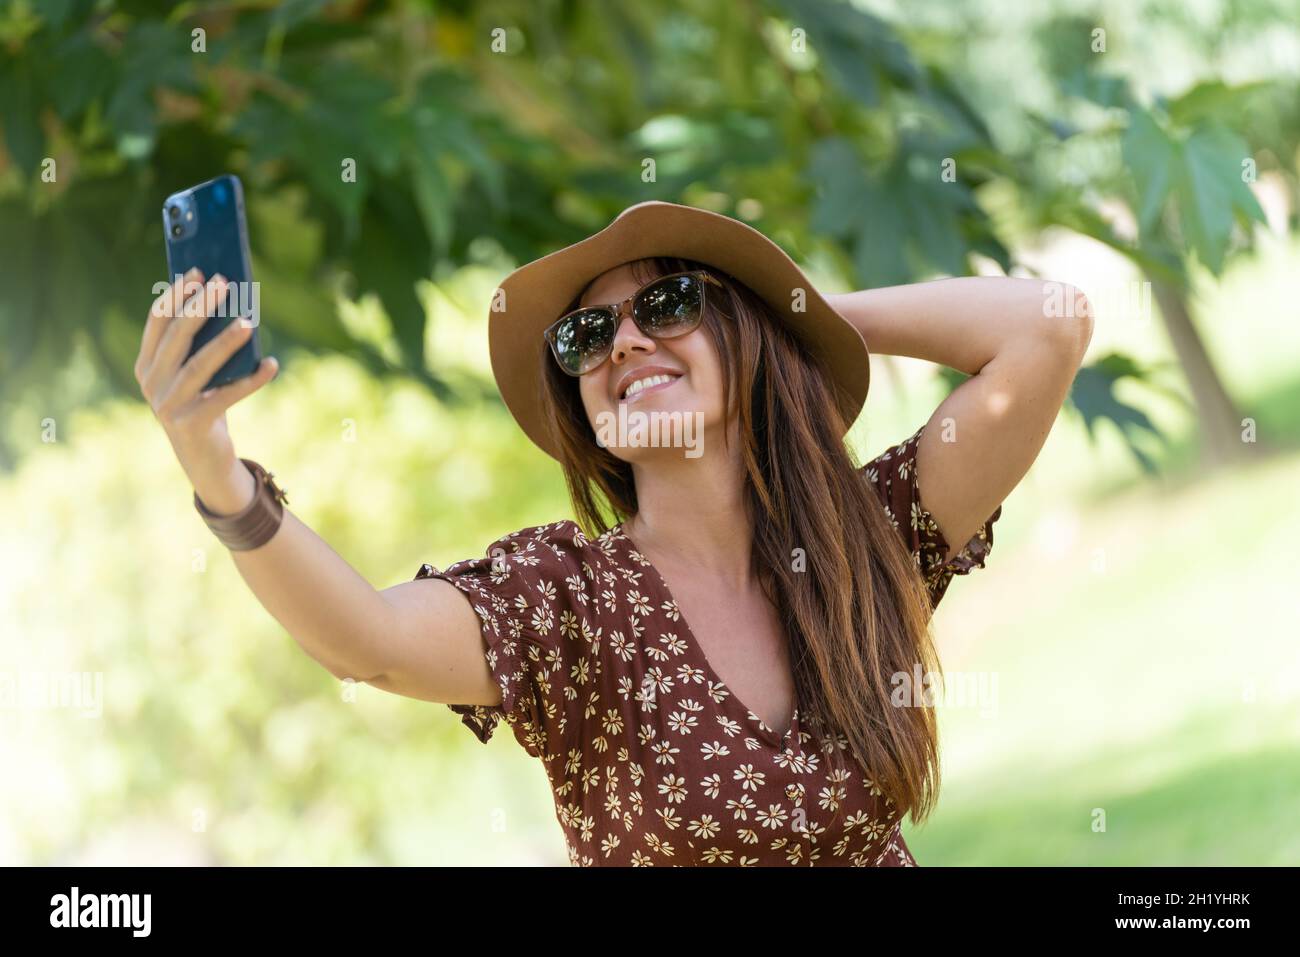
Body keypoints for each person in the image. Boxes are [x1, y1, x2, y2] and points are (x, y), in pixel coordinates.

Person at [136, 201, 1092, 866]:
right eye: (585, 338)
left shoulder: (865, 542)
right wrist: (219, 475)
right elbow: (370, 643)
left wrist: (788, 315)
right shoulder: (570, 601)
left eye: (669, 304)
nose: (625, 342)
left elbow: (1048, 327)